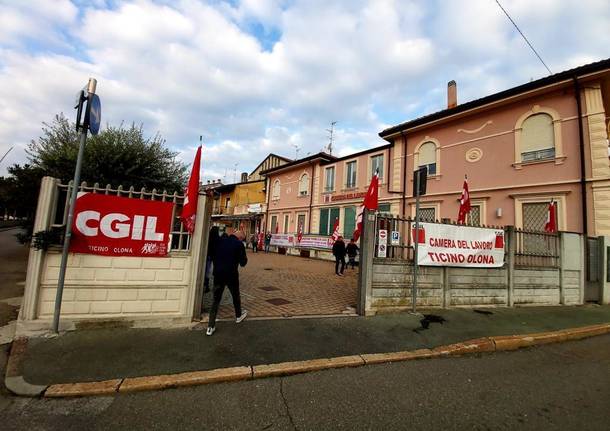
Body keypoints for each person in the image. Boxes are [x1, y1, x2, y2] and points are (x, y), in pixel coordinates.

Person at [207, 230, 248, 336]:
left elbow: (211, 254)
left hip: (218, 274)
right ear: (240, 238)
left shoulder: (219, 241)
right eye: (242, 239)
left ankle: (210, 326)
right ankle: (238, 316)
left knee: (216, 300)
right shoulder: (238, 244)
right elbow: (243, 262)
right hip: (231, 275)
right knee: (235, 296)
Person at [204, 226, 219, 292]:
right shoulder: (217, 238)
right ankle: (208, 284)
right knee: (211, 270)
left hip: (208, 255)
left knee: (207, 269)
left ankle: (206, 284)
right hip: (214, 256)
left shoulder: (208, 237)